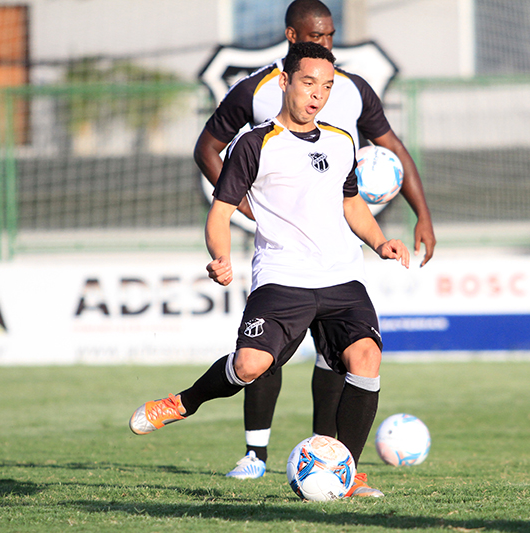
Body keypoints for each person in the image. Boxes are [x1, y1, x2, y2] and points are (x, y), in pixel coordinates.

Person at [131, 41, 410, 498]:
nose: (316, 95)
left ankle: (350, 473)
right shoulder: (254, 143)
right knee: (249, 365)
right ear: (285, 82)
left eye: (326, 86)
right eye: (307, 83)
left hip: (341, 277)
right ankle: (182, 403)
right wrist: (220, 257)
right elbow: (220, 213)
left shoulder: (342, 142)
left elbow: (351, 201)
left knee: (366, 359)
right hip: (283, 277)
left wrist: (379, 242)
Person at [194, 0, 436, 480]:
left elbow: (391, 149)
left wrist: (420, 215)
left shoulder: (350, 91)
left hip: (337, 252)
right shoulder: (255, 92)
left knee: (340, 356)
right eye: (317, 37)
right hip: (280, 249)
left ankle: (336, 463)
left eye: (330, 36)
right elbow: (207, 149)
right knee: (264, 355)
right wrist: (246, 206)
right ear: (291, 37)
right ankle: (255, 453)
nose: (326, 45)